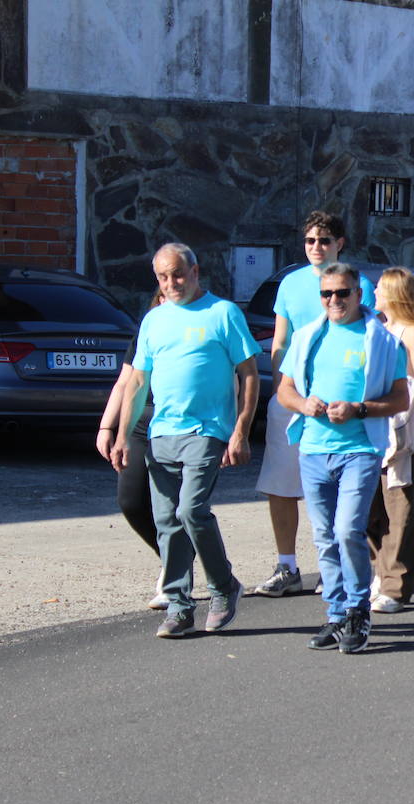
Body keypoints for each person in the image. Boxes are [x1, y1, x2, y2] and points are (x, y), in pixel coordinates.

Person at [112, 243, 260, 638]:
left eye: (177, 274)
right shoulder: (154, 320)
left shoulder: (222, 313)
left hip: (207, 430)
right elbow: (137, 381)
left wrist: (241, 430)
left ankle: (223, 587)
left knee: (191, 511)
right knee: (166, 521)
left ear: (195, 271)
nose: (171, 283)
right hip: (162, 432)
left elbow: (249, 374)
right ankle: (179, 607)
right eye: (163, 277)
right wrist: (123, 435)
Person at [277, 263, 408, 653]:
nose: (334, 300)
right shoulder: (307, 337)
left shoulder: (382, 341)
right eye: (326, 293)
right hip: (314, 449)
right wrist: (304, 404)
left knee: (348, 529)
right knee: (323, 536)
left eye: (342, 293)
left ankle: (357, 611)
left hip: (360, 450)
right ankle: (336, 614)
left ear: (358, 294)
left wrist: (359, 409)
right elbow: (285, 390)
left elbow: (401, 398)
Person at [255, 211, 377, 599]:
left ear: (340, 243)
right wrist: (284, 391)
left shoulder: (358, 284)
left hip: (340, 407)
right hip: (294, 400)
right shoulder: (290, 284)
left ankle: (335, 568)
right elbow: (280, 341)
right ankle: (287, 566)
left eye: (324, 240)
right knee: (281, 484)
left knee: (336, 490)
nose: (316, 247)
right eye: (310, 240)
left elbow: (370, 337)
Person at [365, 269, 414, 614]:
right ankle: (379, 572)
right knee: (370, 506)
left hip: (403, 427)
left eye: (380, 288)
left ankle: (395, 588)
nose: (374, 293)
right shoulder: (376, 329)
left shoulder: (412, 332)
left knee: (402, 507)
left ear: (395, 294)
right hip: (372, 426)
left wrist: (394, 389)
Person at [97, 291, 165, 610]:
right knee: (131, 501)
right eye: (161, 296)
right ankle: (173, 555)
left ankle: (174, 573)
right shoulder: (147, 332)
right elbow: (125, 384)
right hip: (140, 422)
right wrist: (107, 428)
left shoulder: (204, 328)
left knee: (176, 507)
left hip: (181, 426)